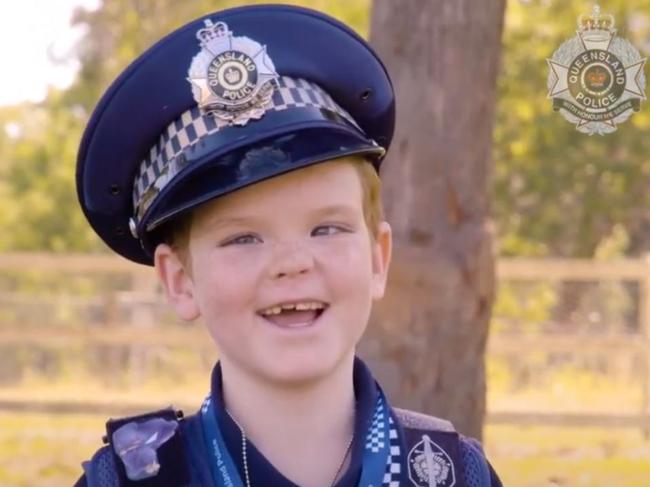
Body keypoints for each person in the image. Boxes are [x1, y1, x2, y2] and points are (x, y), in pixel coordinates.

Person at [75, 4, 502, 487]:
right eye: (243, 238)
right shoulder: (124, 481)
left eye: (327, 228)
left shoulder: (459, 476)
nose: (293, 264)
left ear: (378, 258)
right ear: (180, 281)